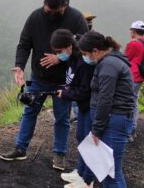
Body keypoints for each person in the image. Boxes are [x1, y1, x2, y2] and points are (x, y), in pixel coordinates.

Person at [0, 0, 88, 171]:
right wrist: (19, 66)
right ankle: (20, 148)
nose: (49, 14)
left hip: (65, 80)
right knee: (29, 112)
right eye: (47, 10)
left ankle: (60, 155)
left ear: (64, 6)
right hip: (38, 78)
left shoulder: (76, 18)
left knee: (62, 118)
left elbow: (84, 49)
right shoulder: (35, 17)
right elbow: (24, 44)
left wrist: (61, 58)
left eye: (54, 12)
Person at [78, 31, 135, 187]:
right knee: (106, 170)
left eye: (86, 54)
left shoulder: (109, 65)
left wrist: (96, 130)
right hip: (113, 118)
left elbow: (105, 98)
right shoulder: (110, 61)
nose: (86, 58)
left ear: (95, 51)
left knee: (111, 173)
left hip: (115, 120)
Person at [47, 29, 95, 188]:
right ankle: (80, 173)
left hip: (90, 106)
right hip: (82, 106)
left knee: (89, 142)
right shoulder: (72, 58)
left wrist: (66, 93)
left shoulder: (84, 62)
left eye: (60, 51)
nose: (59, 55)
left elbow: (85, 91)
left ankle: (88, 181)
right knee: (81, 137)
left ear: (69, 46)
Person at [70, 12, 97, 123]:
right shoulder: (76, 38)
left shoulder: (94, 36)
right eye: (87, 21)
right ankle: (77, 115)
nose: (89, 23)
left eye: (90, 21)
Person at [124, 20, 144, 141]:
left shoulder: (133, 43)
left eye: (130, 30)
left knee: (128, 103)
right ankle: (132, 128)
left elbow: (125, 59)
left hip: (132, 76)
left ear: (133, 31)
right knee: (134, 102)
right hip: (140, 76)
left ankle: (128, 131)